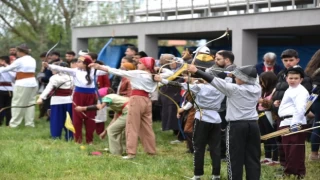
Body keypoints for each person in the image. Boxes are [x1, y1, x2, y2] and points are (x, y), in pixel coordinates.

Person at [89, 57, 173, 159]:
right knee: (147, 127)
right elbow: (170, 73)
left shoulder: (137, 73)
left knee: (131, 126)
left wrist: (99, 67)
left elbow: (117, 71)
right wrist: (157, 68)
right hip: (147, 101)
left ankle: (131, 153)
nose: (137, 65)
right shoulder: (154, 75)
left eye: (140, 63)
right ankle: (151, 151)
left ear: (145, 65)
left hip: (136, 100)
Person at [188, 64, 261, 180]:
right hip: (253, 125)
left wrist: (196, 71)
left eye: (237, 76)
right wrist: (233, 73)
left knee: (234, 157)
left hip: (237, 126)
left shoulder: (233, 89)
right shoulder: (257, 87)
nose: (235, 78)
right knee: (253, 157)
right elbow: (252, 77)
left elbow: (214, 81)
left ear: (242, 79)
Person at [154, 75, 225, 180]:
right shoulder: (222, 87)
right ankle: (216, 175)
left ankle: (197, 175)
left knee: (198, 147)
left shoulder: (199, 87)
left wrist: (162, 80)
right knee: (215, 148)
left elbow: (180, 85)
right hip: (216, 119)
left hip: (202, 118)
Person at [43, 55, 107, 144]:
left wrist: (98, 66)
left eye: (79, 62)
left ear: (86, 64)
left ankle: (90, 140)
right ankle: (78, 140)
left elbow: (107, 70)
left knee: (90, 118)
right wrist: (49, 66)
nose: (77, 63)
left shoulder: (94, 71)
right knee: (77, 119)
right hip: (78, 95)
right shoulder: (75, 71)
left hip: (91, 95)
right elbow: (62, 68)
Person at [272, 49, 312, 169]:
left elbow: (302, 102)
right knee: (284, 145)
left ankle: (293, 171)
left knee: (294, 147)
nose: (288, 62)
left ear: (297, 60)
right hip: (281, 115)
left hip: (294, 118)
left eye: (291, 60)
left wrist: (296, 122)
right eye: (285, 60)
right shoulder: (281, 74)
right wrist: (276, 101)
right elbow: (278, 91)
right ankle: (285, 166)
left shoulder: (303, 77)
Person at [276, 66, 309, 178]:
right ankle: (297, 173)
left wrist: (295, 125)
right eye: (291, 78)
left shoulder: (301, 91)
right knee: (289, 149)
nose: (293, 80)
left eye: (296, 78)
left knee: (294, 150)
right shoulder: (290, 89)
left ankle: (291, 173)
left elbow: (300, 109)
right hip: (286, 121)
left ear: (301, 79)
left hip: (294, 122)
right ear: (286, 78)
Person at [0, 44, 38, 128]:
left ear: (21, 52)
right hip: (33, 83)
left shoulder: (20, 60)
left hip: (22, 83)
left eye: (17, 51)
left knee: (17, 103)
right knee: (30, 104)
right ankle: (29, 123)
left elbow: (7, 69)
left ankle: (14, 124)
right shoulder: (32, 59)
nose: (16, 53)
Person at [36, 62, 73, 140]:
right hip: (70, 101)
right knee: (69, 119)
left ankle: (55, 137)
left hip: (57, 101)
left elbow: (48, 88)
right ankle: (70, 137)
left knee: (56, 120)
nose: (51, 69)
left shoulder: (54, 77)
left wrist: (41, 98)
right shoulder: (72, 76)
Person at [257, 72, 279, 166]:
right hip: (260, 114)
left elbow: (272, 105)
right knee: (265, 136)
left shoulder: (275, 90)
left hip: (269, 114)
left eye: (263, 81)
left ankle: (275, 158)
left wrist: (263, 101)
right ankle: (267, 157)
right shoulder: (263, 90)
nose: (261, 84)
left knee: (272, 136)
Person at [304, 49, 320, 160]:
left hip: (313, 101)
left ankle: (314, 154)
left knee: (317, 125)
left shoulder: (312, 71)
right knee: (318, 127)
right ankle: (314, 154)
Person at [0, 56, 15, 126]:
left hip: (9, 90)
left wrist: (6, 66)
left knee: (8, 107)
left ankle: (8, 123)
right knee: (1, 106)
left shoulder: (11, 68)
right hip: (2, 89)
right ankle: (2, 122)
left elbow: (14, 77)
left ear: (3, 61)